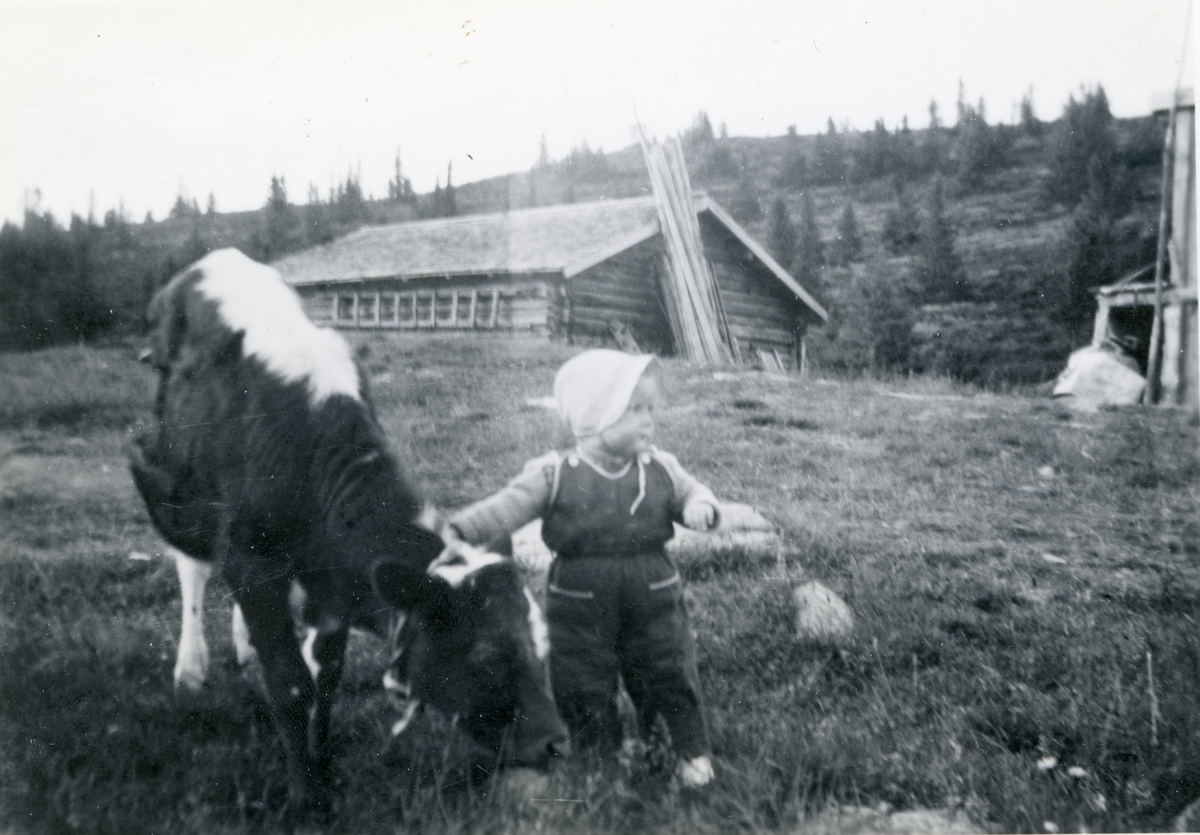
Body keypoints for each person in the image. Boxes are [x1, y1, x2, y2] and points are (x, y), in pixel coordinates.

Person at [447, 349, 719, 788]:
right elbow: (506, 508)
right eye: (635, 410)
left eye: (651, 409)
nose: (649, 420)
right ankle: (601, 760)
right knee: (582, 681)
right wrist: (461, 528)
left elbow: (689, 493)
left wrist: (700, 506)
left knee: (666, 668)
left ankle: (684, 751)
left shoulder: (661, 468)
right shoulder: (555, 474)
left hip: (653, 590)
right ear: (597, 418)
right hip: (579, 598)